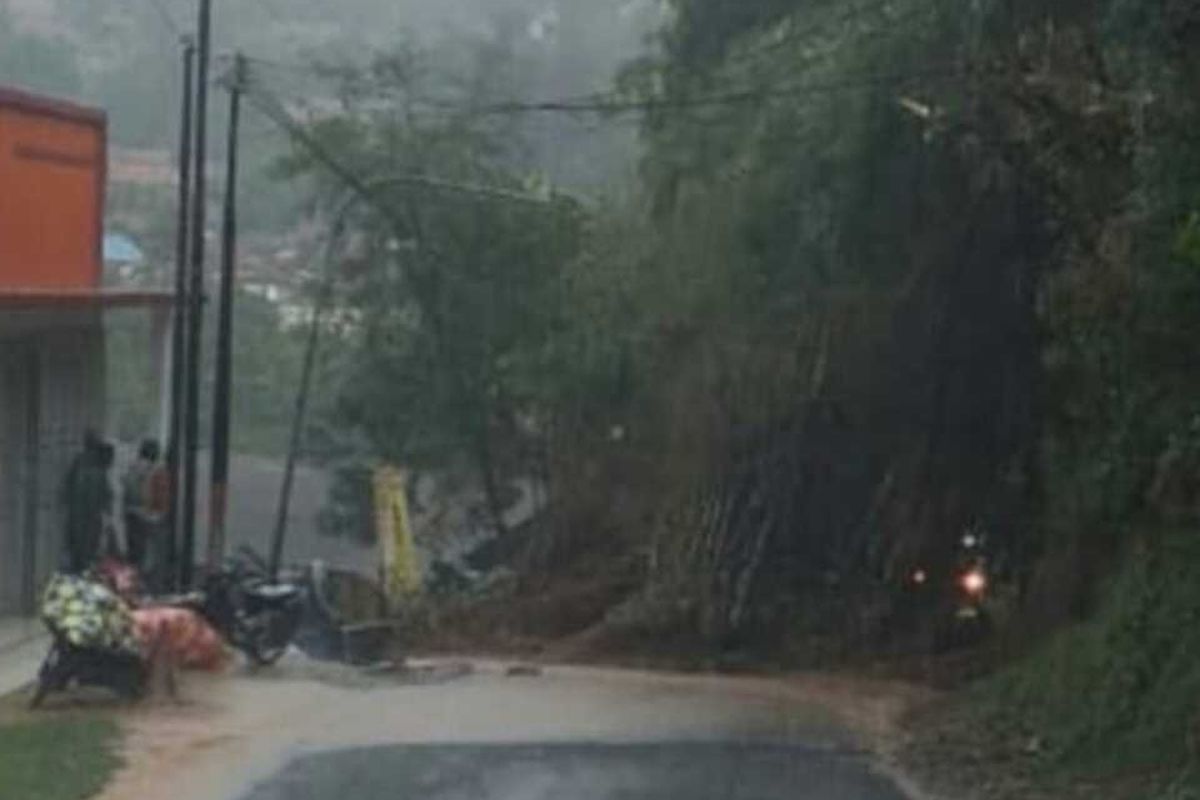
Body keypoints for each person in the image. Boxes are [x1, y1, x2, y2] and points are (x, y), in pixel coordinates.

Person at [62, 432, 115, 574]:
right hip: (89, 517)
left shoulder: (79, 462)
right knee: (86, 552)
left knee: (78, 551)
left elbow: (68, 489)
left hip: (80, 517)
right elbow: (106, 495)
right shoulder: (96, 467)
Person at [122, 439, 161, 574]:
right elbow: (150, 494)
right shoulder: (152, 470)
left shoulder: (132, 467)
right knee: (144, 550)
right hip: (144, 515)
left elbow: (126, 490)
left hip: (130, 512)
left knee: (133, 548)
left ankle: (132, 573)